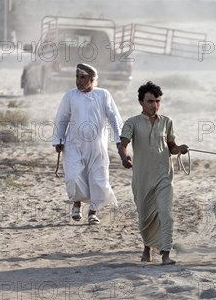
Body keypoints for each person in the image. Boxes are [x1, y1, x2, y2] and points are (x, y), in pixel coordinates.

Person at [118, 81, 188, 265]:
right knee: (145, 217)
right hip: (142, 179)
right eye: (150, 101)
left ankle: (165, 254)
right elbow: (123, 144)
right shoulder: (132, 123)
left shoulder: (167, 122)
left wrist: (180, 149)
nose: (154, 105)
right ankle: (147, 247)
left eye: (157, 101)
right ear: (141, 102)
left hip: (164, 176)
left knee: (166, 214)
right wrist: (124, 158)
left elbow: (171, 147)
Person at [52, 63, 123, 225]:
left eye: (83, 77)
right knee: (73, 176)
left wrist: (119, 140)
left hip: (97, 147)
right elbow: (62, 118)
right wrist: (58, 139)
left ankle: (93, 211)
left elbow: (114, 119)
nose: (79, 81)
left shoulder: (104, 95)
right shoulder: (70, 96)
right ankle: (76, 203)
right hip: (73, 145)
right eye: (77, 77)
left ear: (92, 79)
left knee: (98, 180)